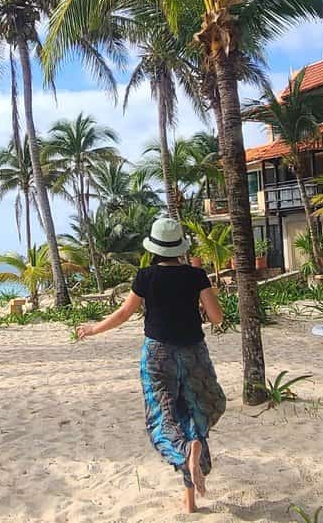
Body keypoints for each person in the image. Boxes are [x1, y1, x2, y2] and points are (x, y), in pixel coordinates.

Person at [76, 218, 226, 513]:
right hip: (194, 352)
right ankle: (190, 499)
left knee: (163, 417)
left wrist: (94, 329)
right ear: (180, 248)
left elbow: (123, 314)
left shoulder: (145, 277)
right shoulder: (197, 276)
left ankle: (185, 454)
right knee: (195, 412)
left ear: (154, 248)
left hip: (157, 355)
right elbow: (217, 317)